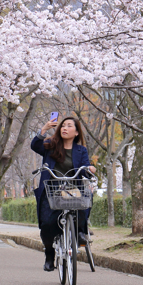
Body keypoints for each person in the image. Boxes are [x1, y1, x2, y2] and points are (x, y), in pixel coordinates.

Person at [31, 115, 97, 272]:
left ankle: (81, 232)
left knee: (84, 199)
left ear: (76, 132)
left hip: (71, 189)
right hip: (52, 189)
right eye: (63, 126)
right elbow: (35, 145)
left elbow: (85, 168)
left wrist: (90, 169)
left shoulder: (81, 150)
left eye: (69, 126)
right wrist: (45, 129)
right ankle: (49, 255)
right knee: (47, 224)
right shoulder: (50, 145)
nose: (64, 128)